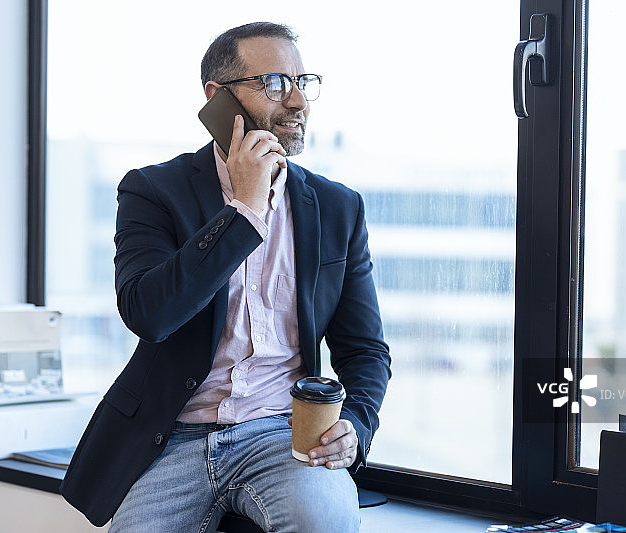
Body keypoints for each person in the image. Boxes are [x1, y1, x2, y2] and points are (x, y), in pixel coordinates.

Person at [59, 21, 391, 533]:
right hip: (173, 437)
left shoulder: (337, 207)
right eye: (277, 84)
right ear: (219, 99)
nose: (299, 102)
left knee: (324, 524)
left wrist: (357, 426)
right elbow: (150, 314)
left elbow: (365, 350)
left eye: (305, 83)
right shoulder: (152, 190)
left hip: (284, 436)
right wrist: (244, 211)